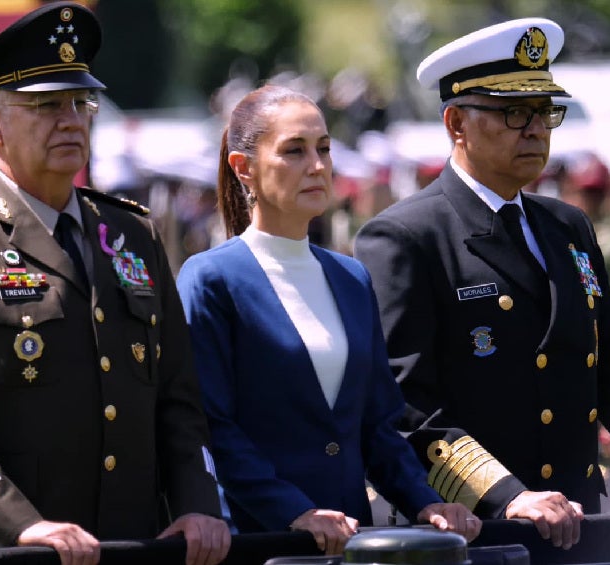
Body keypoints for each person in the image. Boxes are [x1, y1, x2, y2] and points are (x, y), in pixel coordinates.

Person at [353, 17, 610, 550]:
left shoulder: (567, 227)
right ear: (455, 123)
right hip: (474, 532)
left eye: (545, 113)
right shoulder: (405, 236)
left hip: (581, 526)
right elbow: (405, 405)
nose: (536, 130)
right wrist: (508, 496)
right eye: (515, 113)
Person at [0, 4, 229, 564]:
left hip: (124, 547)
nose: (70, 120)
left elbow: (177, 400)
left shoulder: (131, 232)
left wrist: (196, 502)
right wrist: (19, 525)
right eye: (45, 106)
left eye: (79, 102)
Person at [175, 84, 482, 555]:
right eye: (294, 151)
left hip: (350, 541)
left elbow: (379, 423)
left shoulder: (349, 276)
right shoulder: (210, 278)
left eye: (323, 149)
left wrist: (425, 502)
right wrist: (292, 510)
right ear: (244, 169)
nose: (317, 166)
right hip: (259, 540)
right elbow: (212, 426)